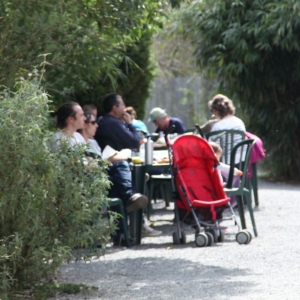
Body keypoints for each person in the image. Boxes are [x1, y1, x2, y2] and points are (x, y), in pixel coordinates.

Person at [51, 102, 148, 246]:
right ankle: (128, 204)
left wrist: (96, 164)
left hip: (90, 176)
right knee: (120, 171)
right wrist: (99, 164)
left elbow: (88, 160)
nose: (84, 118)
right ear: (71, 119)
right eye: (81, 115)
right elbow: (76, 166)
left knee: (117, 178)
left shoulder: (76, 137)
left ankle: (121, 230)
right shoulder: (59, 139)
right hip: (76, 182)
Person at [208, 94, 246, 163]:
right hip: (242, 162)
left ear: (216, 110)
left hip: (225, 164)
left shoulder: (217, 126)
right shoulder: (240, 122)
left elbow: (211, 148)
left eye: (212, 111)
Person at [209, 141, 242, 207]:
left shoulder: (202, 166)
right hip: (218, 186)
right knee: (229, 185)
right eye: (218, 157)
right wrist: (236, 171)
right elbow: (228, 168)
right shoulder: (217, 164)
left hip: (208, 187)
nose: (218, 159)